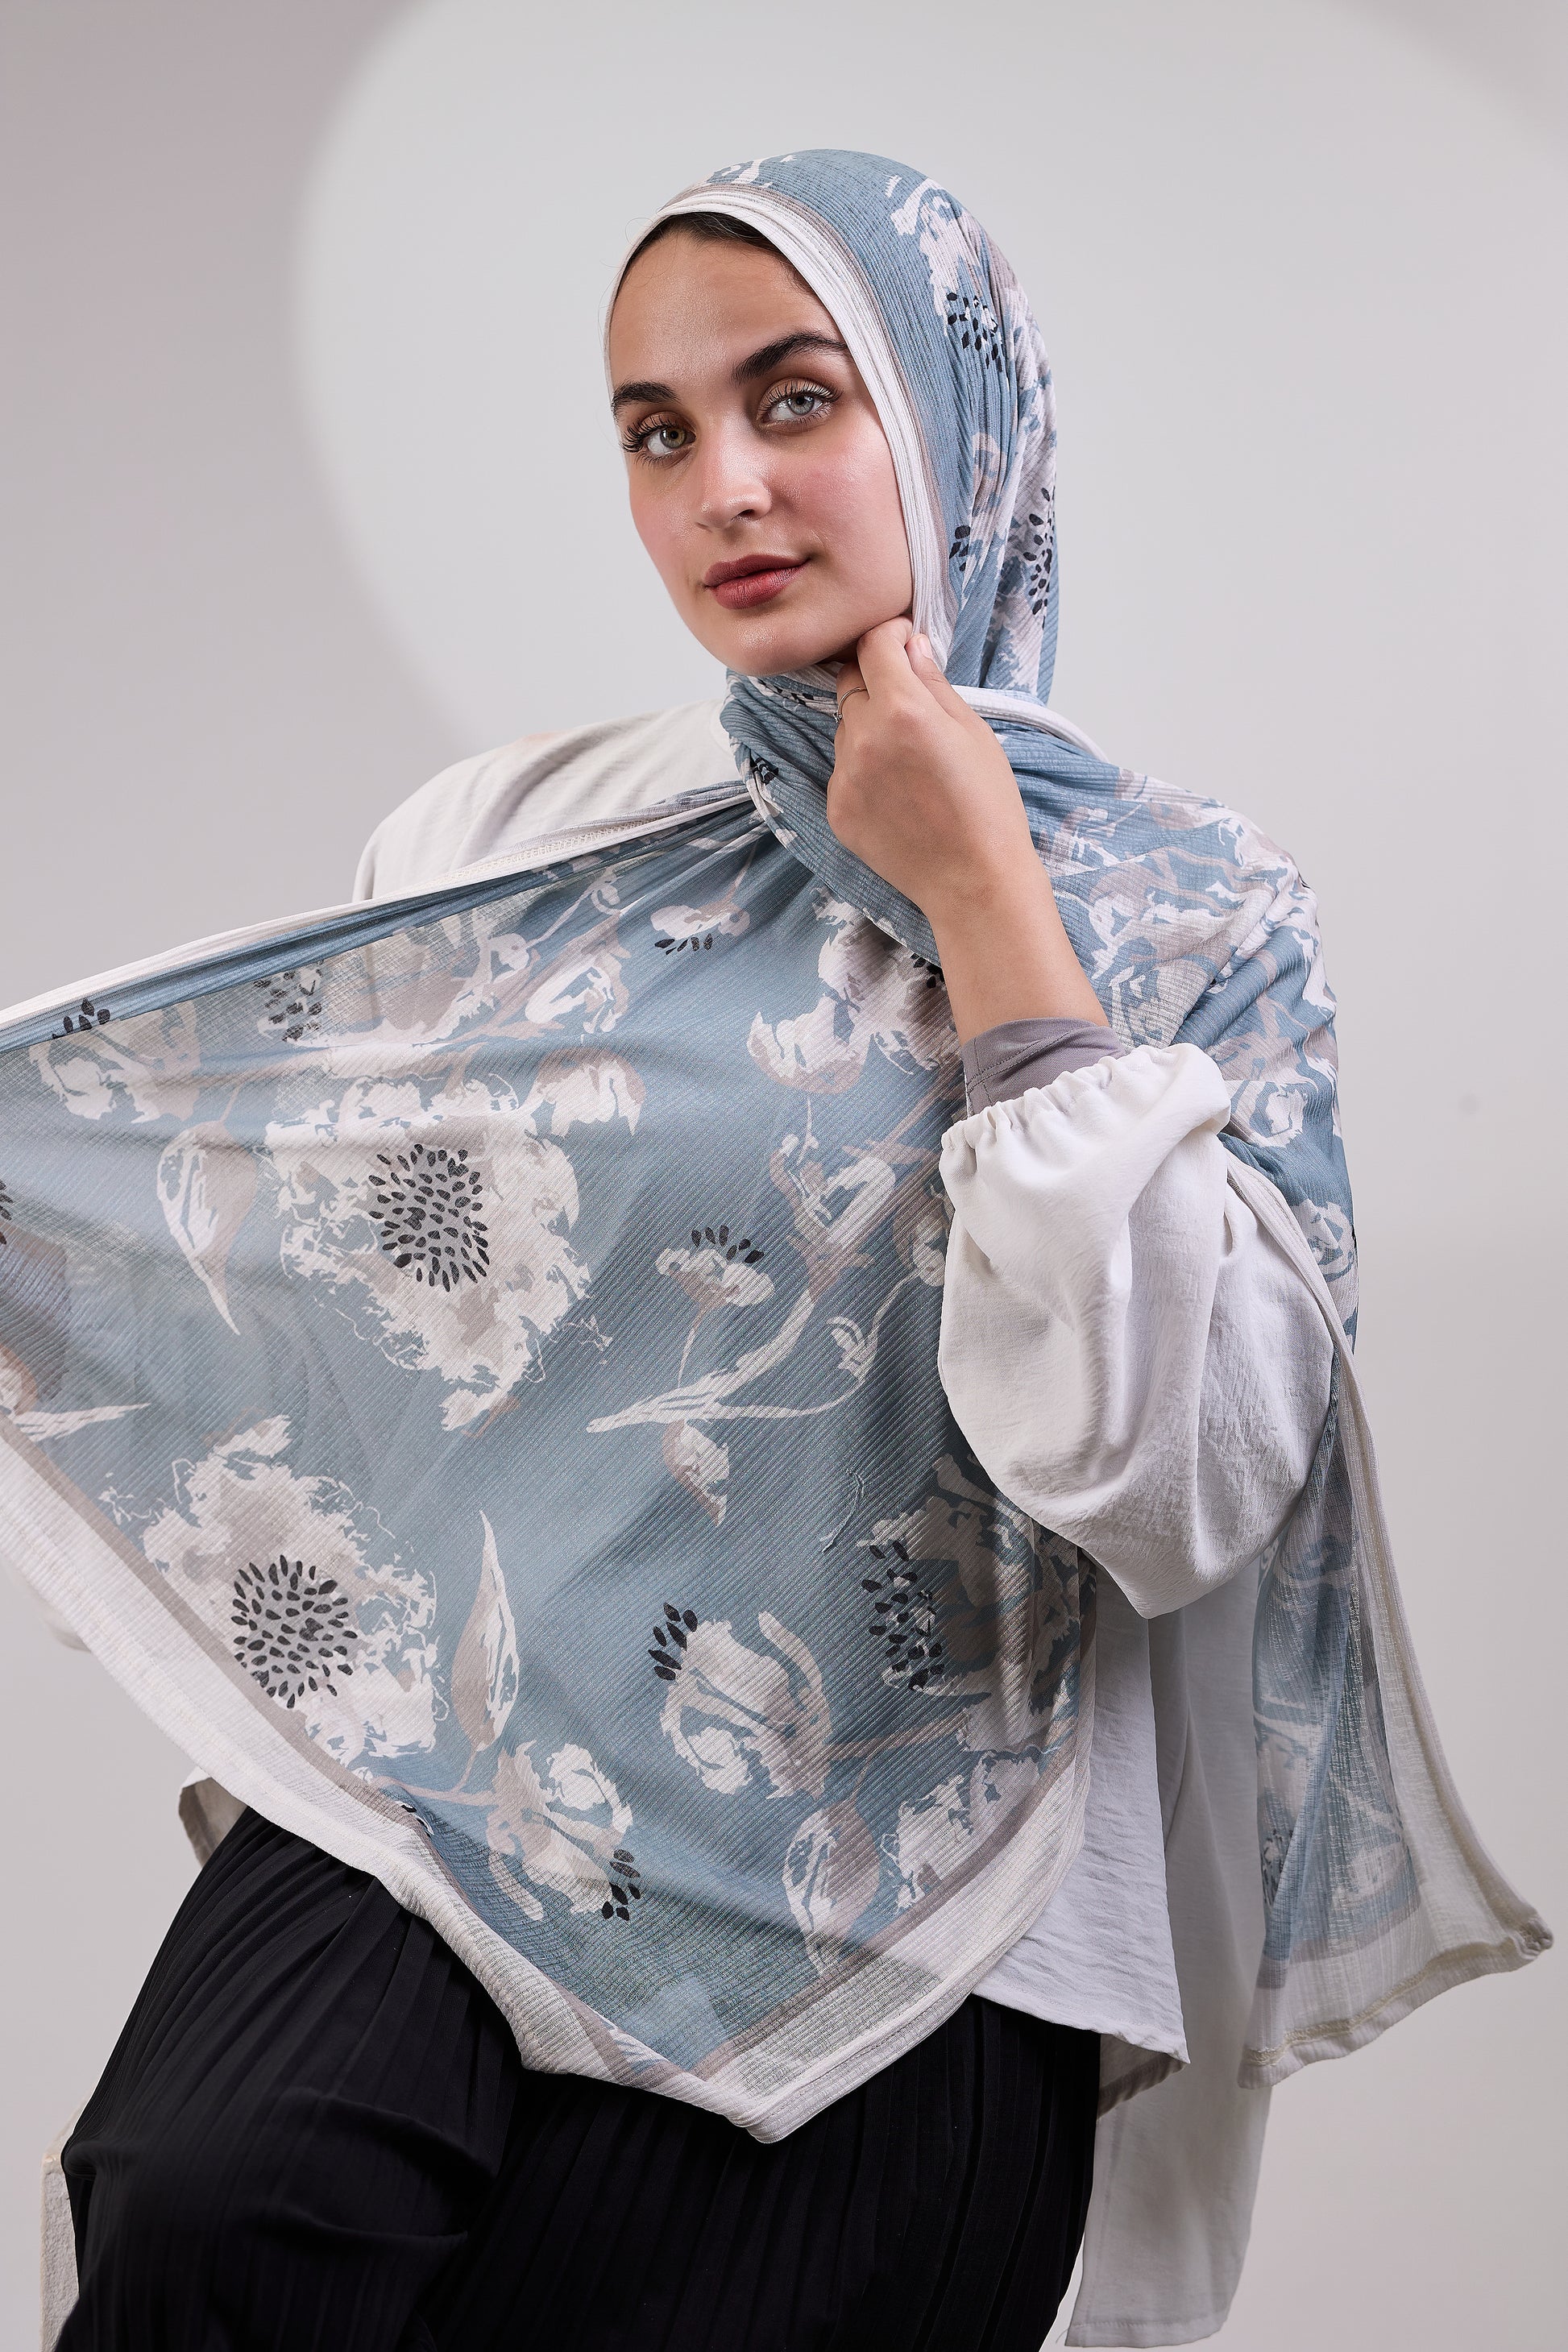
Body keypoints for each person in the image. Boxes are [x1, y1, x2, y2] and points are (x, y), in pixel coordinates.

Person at [2, 151, 1545, 2352]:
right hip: (459, 1811)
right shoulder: (511, 843)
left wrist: (985, 909)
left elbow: (1174, 1482)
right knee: (210, 2213)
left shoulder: (1190, 916)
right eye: (658, 431)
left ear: (952, 423)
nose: (723, 485)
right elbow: (337, 1321)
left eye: (795, 400)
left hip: (938, 1924)